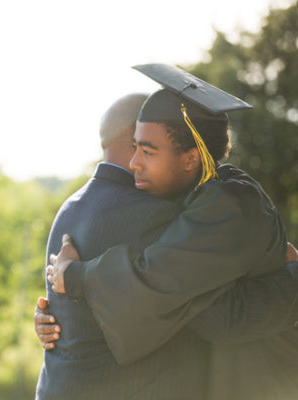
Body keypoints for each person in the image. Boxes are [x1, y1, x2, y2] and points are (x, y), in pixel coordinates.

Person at [45, 64, 298, 399]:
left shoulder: (227, 203)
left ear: (191, 158)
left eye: (147, 151)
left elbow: (199, 304)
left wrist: (75, 276)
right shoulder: (199, 200)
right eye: (135, 147)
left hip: (265, 375)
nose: (135, 162)